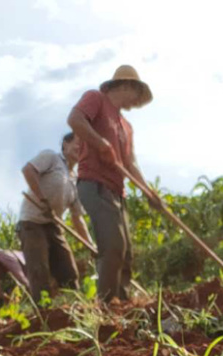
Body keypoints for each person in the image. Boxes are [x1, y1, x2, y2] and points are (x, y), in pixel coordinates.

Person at [67, 64, 162, 302]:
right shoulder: (96, 99)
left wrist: (148, 192)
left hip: (117, 192)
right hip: (94, 184)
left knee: (126, 251)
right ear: (127, 86)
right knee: (113, 246)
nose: (136, 103)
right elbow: (75, 119)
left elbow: (130, 163)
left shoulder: (126, 126)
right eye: (136, 96)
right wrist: (100, 144)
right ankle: (107, 305)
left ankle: (123, 303)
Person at [18, 132, 93, 302]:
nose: (81, 148)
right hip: (32, 223)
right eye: (78, 143)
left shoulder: (76, 181)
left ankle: (75, 308)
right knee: (39, 271)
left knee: (69, 272)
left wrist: (90, 244)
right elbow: (28, 170)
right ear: (65, 145)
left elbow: (77, 218)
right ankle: (43, 314)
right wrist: (42, 199)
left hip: (53, 225)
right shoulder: (51, 158)